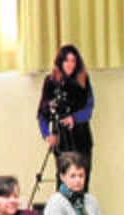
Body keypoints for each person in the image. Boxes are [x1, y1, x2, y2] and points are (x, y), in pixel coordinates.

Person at [37, 44, 94, 181]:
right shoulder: (51, 81)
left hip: (81, 137)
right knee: (64, 178)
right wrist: (46, 135)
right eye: (66, 60)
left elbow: (89, 107)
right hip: (61, 138)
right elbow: (42, 113)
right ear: (60, 62)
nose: (70, 64)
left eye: (73, 60)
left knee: (81, 178)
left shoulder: (83, 80)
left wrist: (74, 118)